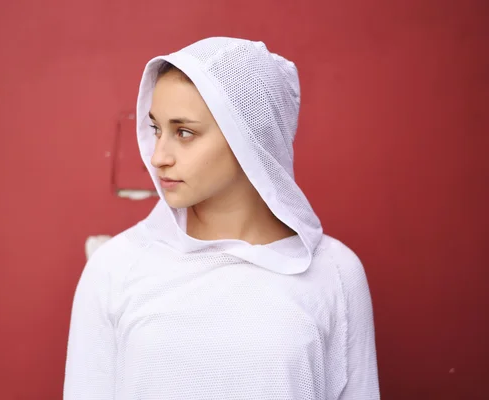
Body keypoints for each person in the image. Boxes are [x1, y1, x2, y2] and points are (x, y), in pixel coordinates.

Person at [63, 37, 380, 400]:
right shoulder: (117, 268)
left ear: (250, 137)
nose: (158, 156)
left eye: (184, 133)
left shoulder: (335, 273)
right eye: (156, 129)